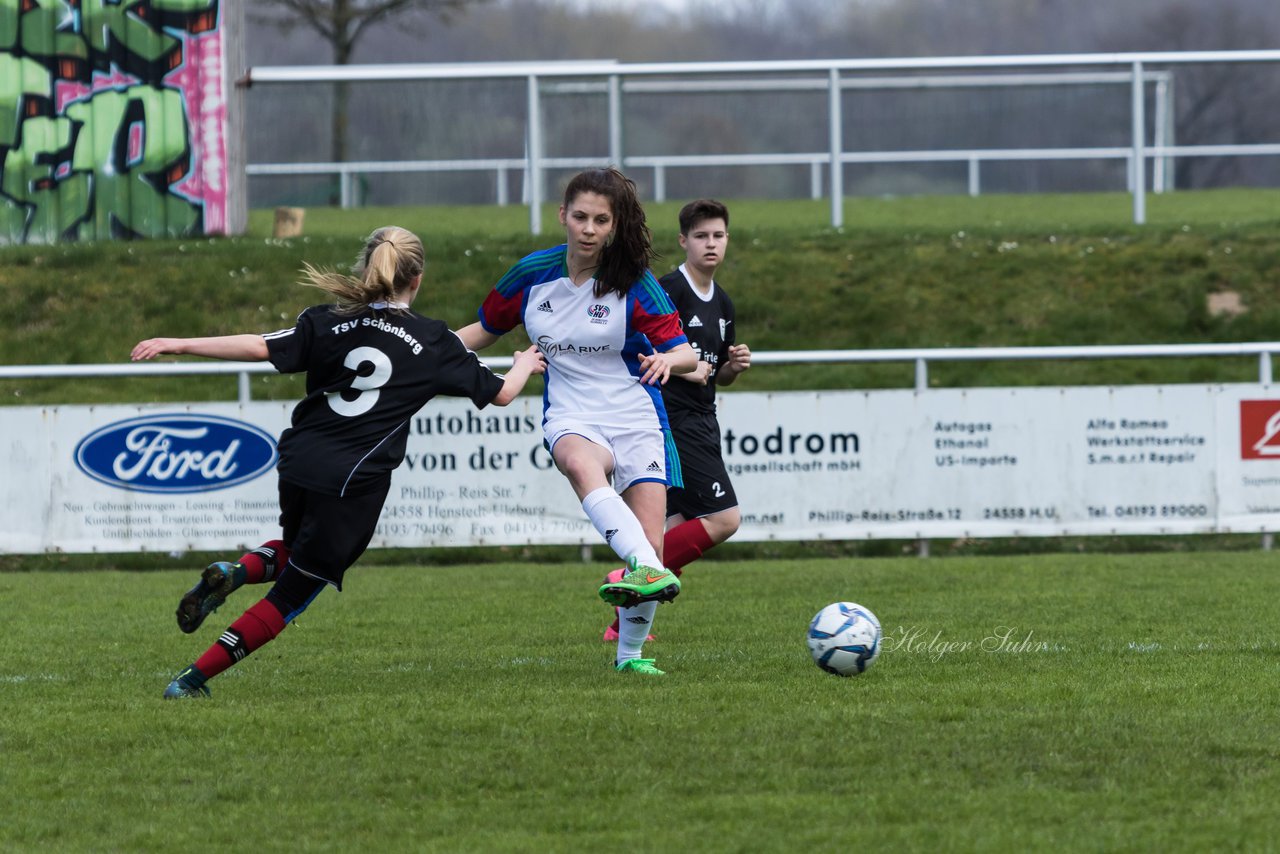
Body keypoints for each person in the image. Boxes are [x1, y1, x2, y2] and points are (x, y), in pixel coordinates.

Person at [131, 226, 545, 699]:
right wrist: (524, 363)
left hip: (299, 459)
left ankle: (237, 572)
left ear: (366, 267)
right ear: (418, 279)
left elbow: (259, 346)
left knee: (294, 547)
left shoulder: (328, 319)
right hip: (354, 480)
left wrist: (180, 343)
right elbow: (504, 394)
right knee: (292, 594)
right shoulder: (433, 341)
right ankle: (193, 679)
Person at [455, 167, 697, 676]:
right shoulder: (531, 275)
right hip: (571, 412)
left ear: (613, 227)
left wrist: (666, 361)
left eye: (600, 220)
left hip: (636, 415)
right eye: (581, 216)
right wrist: (417, 350)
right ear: (563, 215)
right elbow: (483, 330)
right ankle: (652, 571)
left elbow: (686, 354)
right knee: (578, 462)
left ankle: (629, 657)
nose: (588, 228)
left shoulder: (635, 283)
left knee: (648, 545)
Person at [601, 199, 751, 642]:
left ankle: (620, 626)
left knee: (667, 531)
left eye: (718, 235)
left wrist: (731, 368)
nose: (711, 244)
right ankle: (626, 573)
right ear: (683, 241)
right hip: (671, 418)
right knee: (725, 519)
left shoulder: (722, 302)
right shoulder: (668, 290)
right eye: (701, 236)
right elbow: (645, 350)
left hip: (704, 418)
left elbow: (715, 374)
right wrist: (689, 366)